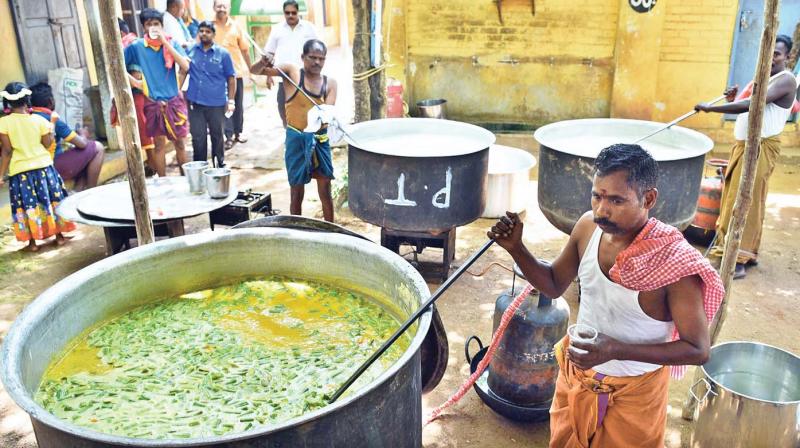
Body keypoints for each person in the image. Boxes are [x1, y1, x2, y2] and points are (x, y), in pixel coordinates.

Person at [488, 144, 724, 447]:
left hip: (635, 394)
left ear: (648, 198)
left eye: (616, 200)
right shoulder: (588, 228)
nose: (602, 209)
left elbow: (698, 349)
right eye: (597, 196)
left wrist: (615, 350)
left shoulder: (672, 264)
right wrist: (516, 248)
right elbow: (553, 284)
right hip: (577, 379)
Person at [695, 35, 798, 279]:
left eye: (777, 54)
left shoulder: (786, 80)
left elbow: (752, 105)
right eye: (768, 51)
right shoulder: (762, 78)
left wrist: (712, 108)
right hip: (744, 147)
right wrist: (732, 99)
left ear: (788, 56)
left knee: (747, 201)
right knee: (733, 198)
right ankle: (727, 248)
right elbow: (742, 107)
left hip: (759, 150)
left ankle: (739, 258)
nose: (771, 57)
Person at [251, 39, 337, 222]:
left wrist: (323, 117)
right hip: (296, 140)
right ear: (302, 57)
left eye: (321, 59)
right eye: (312, 57)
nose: (317, 62)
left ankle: (332, 231)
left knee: (325, 191)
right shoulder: (291, 72)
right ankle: (295, 231)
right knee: (296, 192)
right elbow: (255, 71)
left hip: (319, 140)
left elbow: (325, 117)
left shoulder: (330, 84)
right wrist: (263, 62)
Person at [0, 82, 75, 251]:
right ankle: (59, 236)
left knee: (27, 205)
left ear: (8, 103)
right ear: (27, 99)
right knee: (50, 201)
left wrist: (0, 175)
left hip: (20, 172)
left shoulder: (3, 123)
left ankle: (32, 243)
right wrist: (53, 124)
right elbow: (48, 144)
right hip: (44, 168)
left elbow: (6, 151)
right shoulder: (39, 120)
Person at [124, 7, 191, 176]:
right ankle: (163, 182)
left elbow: (185, 67)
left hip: (174, 101)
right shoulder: (136, 46)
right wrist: (136, 83)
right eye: (148, 24)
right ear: (143, 27)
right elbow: (117, 66)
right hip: (152, 102)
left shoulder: (172, 43)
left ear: (161, 26)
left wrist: (165, 43)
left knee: (180, 144)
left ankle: (185, 181)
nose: (153, 27)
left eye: (156, 24)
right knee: (159, 145)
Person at [29, 83, 106, 191]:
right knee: (97, 147)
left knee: (83, 155)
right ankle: (91, 191)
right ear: (51, 101)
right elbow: (82, 144)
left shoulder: (29, 117)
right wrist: (83, 134)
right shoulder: (50, 118)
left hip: (32, 169)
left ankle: (79, 191)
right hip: (51, 167)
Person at [180, 21, 236, 167]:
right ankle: (200, 167)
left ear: (213, 34)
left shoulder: (223, 54)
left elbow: (231, 78)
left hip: (216, 103)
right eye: (201, 31)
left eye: (207, 31)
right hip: (195, 102)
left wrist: (231, 100)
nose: (204, 34)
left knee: (217, 135)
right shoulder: (191, 50)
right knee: (198, 137)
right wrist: (178, 92)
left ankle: (219, 166)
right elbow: (183, 71)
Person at [263, 0, 319, 128]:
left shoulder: (309, 28)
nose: (290, 15)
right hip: (285, 79)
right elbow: (269, 54)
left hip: (306, 77)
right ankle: (289, 135)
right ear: (284, 13)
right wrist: (268, 75)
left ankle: (308, 140)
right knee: (284, 109)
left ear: (298, 12)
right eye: (287, 13)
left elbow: (319, 51)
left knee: (307, 109)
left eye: (293, 13)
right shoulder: (277, 29)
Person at [212, 0, 251, 149]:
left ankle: (238, 132)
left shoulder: (236, 26)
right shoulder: (210, 27)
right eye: (218, 6)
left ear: (228, 9)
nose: (221, 9)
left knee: (238, 105)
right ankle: (228, 136)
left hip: (236, 73)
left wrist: (251, 69)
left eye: (224, 6)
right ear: (214, 8)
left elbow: (245, 50)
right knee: (225, 105)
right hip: (217, 75)